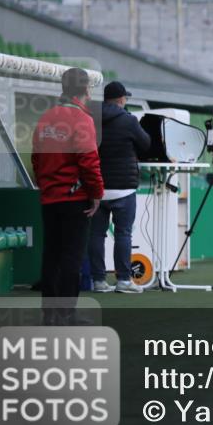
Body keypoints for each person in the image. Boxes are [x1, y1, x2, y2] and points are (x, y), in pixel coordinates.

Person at [31, 68, 104, 323]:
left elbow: (36, 158)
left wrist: (46, 185)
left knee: (51, 255)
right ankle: (65, 314)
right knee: (72, 257)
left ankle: (49, 315)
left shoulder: (45, 118)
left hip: (50, 198)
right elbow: (89, 162)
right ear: (86, 90)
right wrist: (96, 194)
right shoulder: (83, 120)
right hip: (74, 199)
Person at [90, 81, 151, 294]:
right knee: (123, 234)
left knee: (96, 235)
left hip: (97, 187)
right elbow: (146, 144)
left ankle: (98, 281)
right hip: (123, 188)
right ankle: (124, 280)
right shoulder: (129, 120)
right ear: (122, 99)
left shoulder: (90, 118)